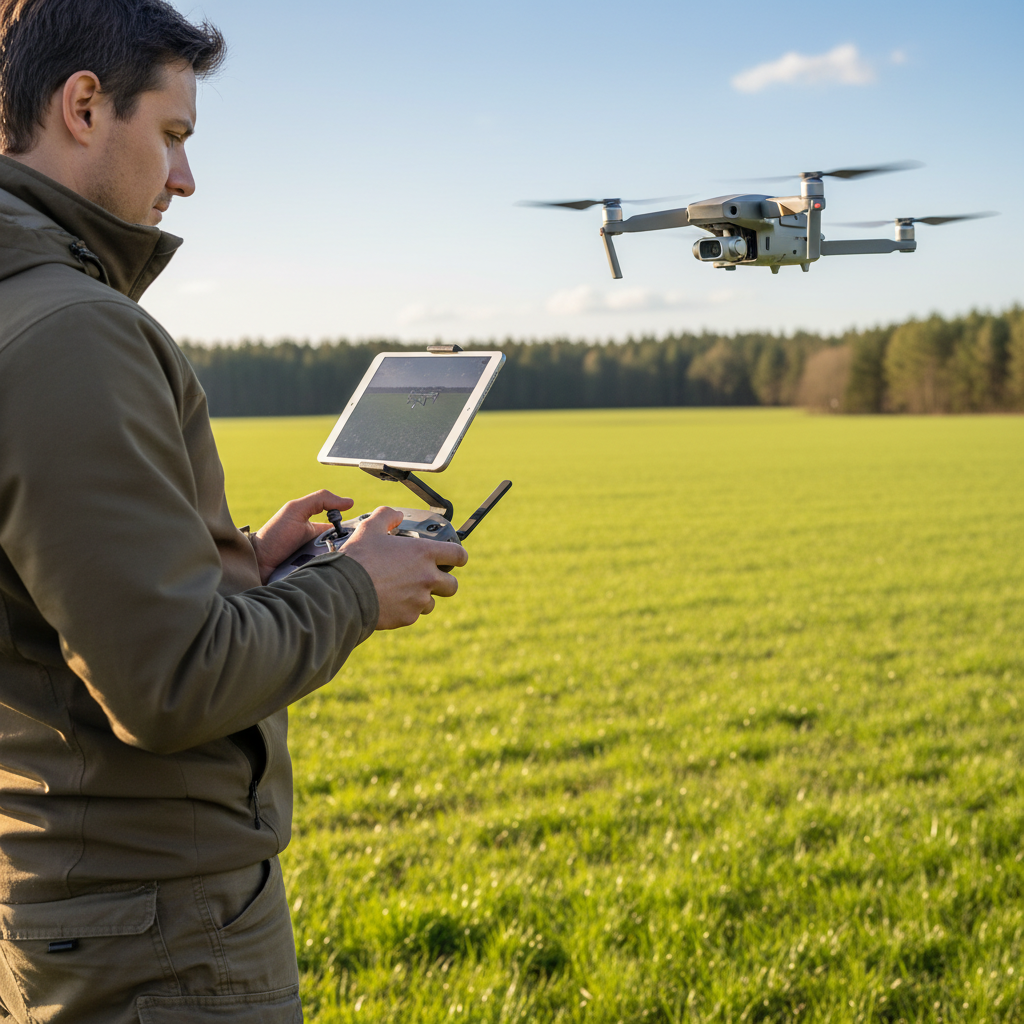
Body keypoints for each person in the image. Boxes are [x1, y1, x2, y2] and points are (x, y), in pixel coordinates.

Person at [0, 1, 467, 1020]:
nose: (185, 178)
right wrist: (353, 586)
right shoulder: (73, 328)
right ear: (83, 106)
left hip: (82, 895)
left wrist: (246, 559)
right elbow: (168, 683)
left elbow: (50, 604)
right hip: (160, 931)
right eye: (172, 135)